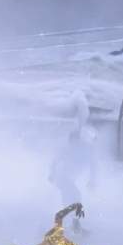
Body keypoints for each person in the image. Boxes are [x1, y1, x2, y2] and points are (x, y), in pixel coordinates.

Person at [48, 91, 97, 232]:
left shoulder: (83, 148)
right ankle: (72, 225)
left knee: (70, 199)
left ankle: (70, 224)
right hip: (62, 177)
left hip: (65, 177)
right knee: (76, 197)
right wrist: (52, 174)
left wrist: (92, 179)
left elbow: (93, 164)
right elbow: (55, 161)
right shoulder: (68, 149)